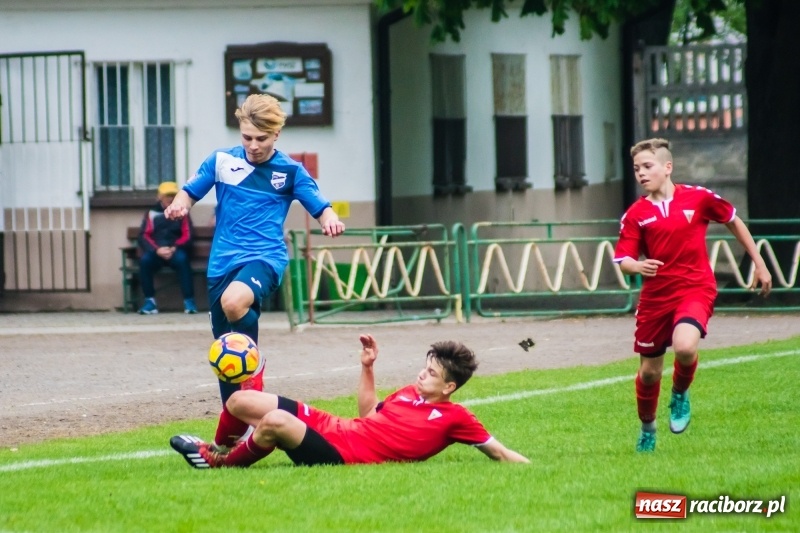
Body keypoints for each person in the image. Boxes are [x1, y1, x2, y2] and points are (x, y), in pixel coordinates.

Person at [164, 94, 345, 407]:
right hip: (222, 264)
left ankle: (256, 361)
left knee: (234, 303)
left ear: (276, 134)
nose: (253, 145)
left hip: (264, 258)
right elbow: (188, 193)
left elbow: (321, 206)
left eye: (261, 139)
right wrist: (179, 206)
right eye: (247, 137)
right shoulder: (221, 161)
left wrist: (331, 220)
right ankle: (236, 430)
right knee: (226, 357)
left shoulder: (290, 171)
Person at [613, 138, 772, 453]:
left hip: (694, 288)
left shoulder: (698, 198)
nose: (641, 174)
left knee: (685, 347)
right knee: (648, 373)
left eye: (648, 166)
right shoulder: (636, 214)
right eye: (636, 169)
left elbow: (732, 221)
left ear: (667, 167)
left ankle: (680, 393)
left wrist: (759, 262)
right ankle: (648, 428)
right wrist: (638, 265)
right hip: (656, 298)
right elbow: (623, 259)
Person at [170, 334, 530, 468]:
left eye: (432, 374)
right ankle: (219, 446)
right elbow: (369, 414)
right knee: (241, 401)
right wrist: (368, 368)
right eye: (424, 368)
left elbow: (499, 453)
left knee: (275, 422)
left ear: (450, 387)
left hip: (342, 454)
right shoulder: (408, 392)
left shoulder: (456, 418)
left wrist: (532, 467)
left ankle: (219, 464)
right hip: (336, 428)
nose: (422, 375)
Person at [136, 181, 197, 315]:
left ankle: (189, 301)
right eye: (167, 195)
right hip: (157, 251)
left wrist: (175, 247)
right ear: (159, 197)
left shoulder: (182, 212)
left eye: (173, 195)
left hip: (176, 250)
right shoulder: (151, 214)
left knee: (183, 260)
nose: (170, 198)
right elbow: (144, 235)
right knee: (145, 261)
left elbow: (188, 235)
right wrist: (157, 250)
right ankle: (150, 302)